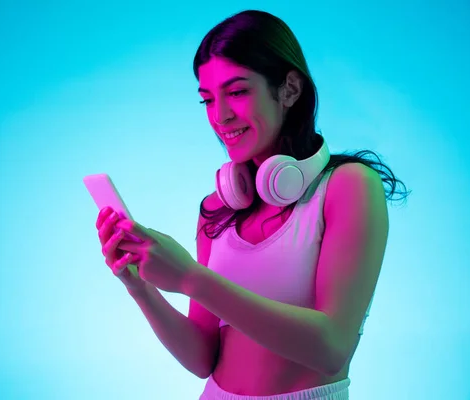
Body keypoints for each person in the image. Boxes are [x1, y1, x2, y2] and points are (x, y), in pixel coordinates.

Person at [94, 9, 409, 400]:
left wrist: (191, 279)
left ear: (290, 89)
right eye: (208, 99)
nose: (220, 116)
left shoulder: (349, 186)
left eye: (238, 92)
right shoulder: (217, 209)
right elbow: (202, 358)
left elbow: (332, 348)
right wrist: (139, 286)